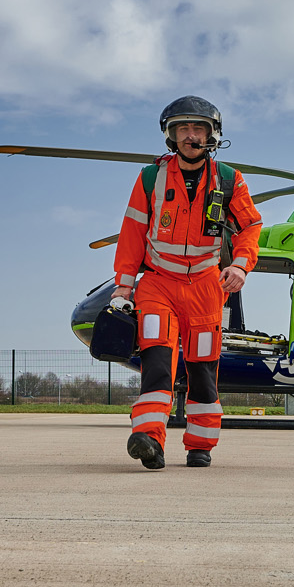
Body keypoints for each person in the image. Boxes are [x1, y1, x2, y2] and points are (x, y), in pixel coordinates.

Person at [111, 95, 264, 470]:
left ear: (212, 135)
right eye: (183, 128)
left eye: (198, 128)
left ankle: (200, 445)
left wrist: (241, 266)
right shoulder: (150, 178)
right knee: (158, 362)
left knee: (202, 368)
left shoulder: (230, 180)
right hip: (158, 283)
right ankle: (148, 439)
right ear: (171, 135)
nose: (190, 135)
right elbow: (132, 232)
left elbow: (251, 226)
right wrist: (123, 287)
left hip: (206, 288)